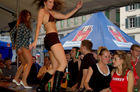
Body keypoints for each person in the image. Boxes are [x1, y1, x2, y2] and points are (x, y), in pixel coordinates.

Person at [30, 0, 83, 91]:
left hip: (50, 39)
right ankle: (56, 89)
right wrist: (35, 40)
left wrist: (76, 8)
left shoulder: (52, 12)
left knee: (54, 66)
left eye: (53, 2)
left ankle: (41, 87)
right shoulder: (42, 11)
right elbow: (38, 25)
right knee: (63, 63)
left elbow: (65, 16)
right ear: (45, 2)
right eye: (50, 2)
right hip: (51, 37)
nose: (52, 4)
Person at [10, 9, 32, 88]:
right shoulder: (22, 25)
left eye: (29, 15)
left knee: (24, 63)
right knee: (30, 62)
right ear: (24, 16)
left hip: (22, 46)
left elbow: (12, 33)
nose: (29, 16)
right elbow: (18, 36)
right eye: (28, 15)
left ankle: (16, 79)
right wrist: (17, 46)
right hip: (22, 46)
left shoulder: (20, 24)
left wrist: (14, 44)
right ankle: (24, 81)